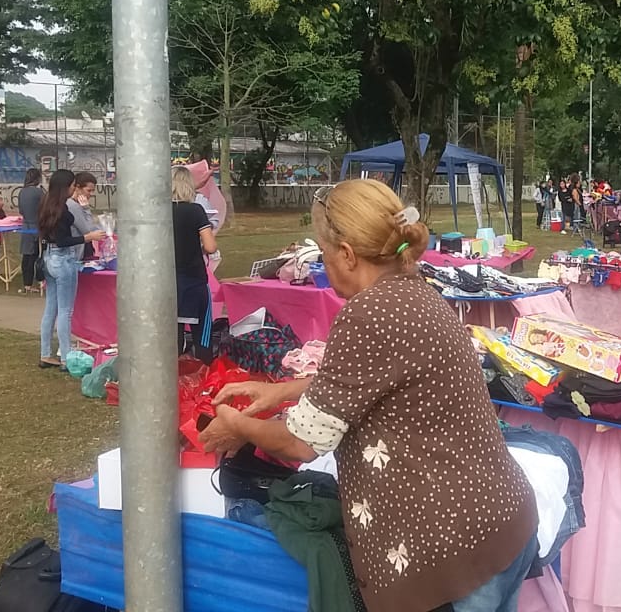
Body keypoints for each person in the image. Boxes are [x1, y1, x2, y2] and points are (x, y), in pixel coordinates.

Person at [198, 178, 538, 612]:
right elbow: (369, 382)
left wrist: (237, 426)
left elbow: (303, 443)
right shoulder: (413, 289)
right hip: (500, 522)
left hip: (453, 549)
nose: (322, 260)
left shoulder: (368, 312)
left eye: (322, 250)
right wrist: (278, 390)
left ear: (346, 254)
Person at [38, 170, 107, 368]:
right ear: (67, 186)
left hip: (49, 258)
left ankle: (45, 353)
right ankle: (66, 357)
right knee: (66, 311)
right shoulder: (64, 209)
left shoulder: (46, 204)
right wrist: (87, 238)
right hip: (63, 259)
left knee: (51, 308)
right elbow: (64, 240)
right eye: (72, 185)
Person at [172, 166, 218, 359]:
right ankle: (204, 368)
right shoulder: (195, 210)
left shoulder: (158, 213)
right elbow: (210, 246)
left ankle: (172, 377)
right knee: (202, 332)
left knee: (173, 331)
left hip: (167, 279)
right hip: (194, 279)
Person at [18, 168, 46, 294]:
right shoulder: (39, 192)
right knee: (39, 256)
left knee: (27, 256)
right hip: (37, 227)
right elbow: (46, 208)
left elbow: (21, 211)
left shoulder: (22, 192)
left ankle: (27, 284)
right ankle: (41, 280)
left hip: (26, 227)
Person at [67, 171, 101, 260]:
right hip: (76, 252)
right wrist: (86, 209)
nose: (91, 194)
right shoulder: (73, 206)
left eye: (93, 191)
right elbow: (88, 230)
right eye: (88, 190)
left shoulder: (76, 204)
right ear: (77, 187)